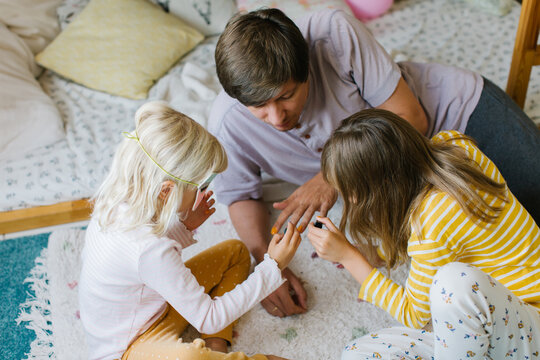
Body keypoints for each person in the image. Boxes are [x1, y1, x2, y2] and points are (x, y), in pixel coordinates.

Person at [208, 8, 540, 318]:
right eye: (259, 107)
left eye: (286, 96)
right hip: (402, 177)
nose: (277, 117)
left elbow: (411, 117)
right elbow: (239, 194)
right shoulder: (227, 121)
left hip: (454, 116)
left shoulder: (334, 32)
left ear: (307, 68)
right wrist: (268, 265)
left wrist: (329, 178)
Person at [306, 109, 540, 359]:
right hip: (497, 315)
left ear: (375, 192)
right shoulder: (453, 144)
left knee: (451, 283)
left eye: (349, 192)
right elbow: (441, 239)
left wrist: (350, 257)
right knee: (355, 354)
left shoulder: (432, 222)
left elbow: (414, 315)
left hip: (528, 325)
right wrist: (376, 253)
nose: (349, 199)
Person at [78, 101, 301, 360]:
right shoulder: (150, 250)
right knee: (190, 357)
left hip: (154, 308)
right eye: (200, 185)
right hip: (128, 348)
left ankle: (216, 344)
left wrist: (184, 227)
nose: (206, 191)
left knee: (236, 252)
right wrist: (272, 266)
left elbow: (139, 267)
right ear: (166, 191)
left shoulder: (115, 204)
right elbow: (207, 317)